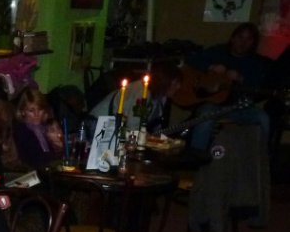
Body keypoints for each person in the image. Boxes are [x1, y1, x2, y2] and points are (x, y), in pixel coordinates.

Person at [183, 23, 273, 151]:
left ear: (253, 43)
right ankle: (196, 155)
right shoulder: (219, 52)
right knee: (205, 116)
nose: (243, 42)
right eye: (240, 37)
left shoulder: (256, 63)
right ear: (233, 38)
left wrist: (240, 78)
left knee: (263, 118)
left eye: (248, 39)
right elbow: (192, 59)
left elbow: (257, 88)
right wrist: (211, 67)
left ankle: (261, 158)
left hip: (240, 106)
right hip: (214, 105)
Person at [90, 62, 183, 134]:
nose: (178, 87)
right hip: (99, 125)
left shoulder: (160, 98)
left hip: (115, 128)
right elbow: (133, 128)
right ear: (164, 82)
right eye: (175, 83)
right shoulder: (141, 92)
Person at [12, 88, 63, 169]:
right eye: (31, 111)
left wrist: (60, 147)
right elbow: (36, 160)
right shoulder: (21, 131)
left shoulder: (46, 126)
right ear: (23, 111)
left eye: (40, 109)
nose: (36, 114)